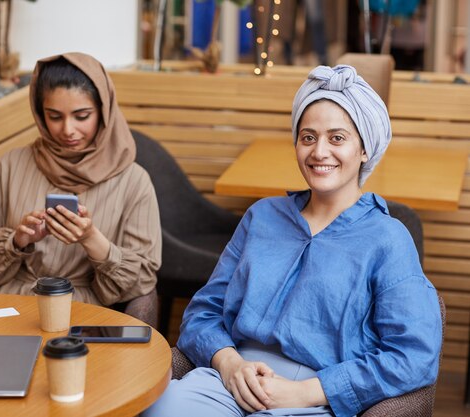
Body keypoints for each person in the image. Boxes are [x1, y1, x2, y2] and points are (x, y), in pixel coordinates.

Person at [143, 65, 441, 417]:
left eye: (337, 138)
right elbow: (203, 311)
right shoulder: (262, 217)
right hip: (231, 380)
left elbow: (413, 354)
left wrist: (307, 393)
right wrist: (229, 364)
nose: (319, 152)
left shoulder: (388, 239)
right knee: (159, 409)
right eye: (308, 137)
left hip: (315, 397)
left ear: (364, 149)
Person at [0, 52, 161, 309]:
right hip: (8, 308)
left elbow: (143, 282)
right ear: (40, 114)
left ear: (103, 110)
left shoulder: (134, 181)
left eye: (81, 116)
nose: (67, 130)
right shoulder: (11, 165)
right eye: (54, 117)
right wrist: (17, 241)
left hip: (83, 315)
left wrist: (91, 239)